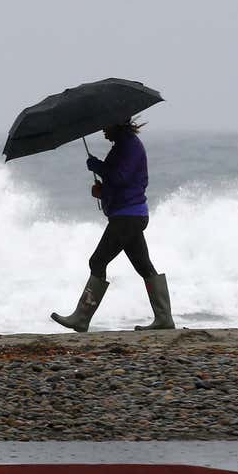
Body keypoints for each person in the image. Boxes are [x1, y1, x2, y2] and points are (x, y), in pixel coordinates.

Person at [50, 119, 175, 332]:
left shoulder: (130, 146)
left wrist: (97, 166)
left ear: (117, 124)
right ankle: (164, 319)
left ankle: (81, 318)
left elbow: (120, 177)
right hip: (129, 215)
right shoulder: (122, 146)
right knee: (144, 266)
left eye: (106, 126)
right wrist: (101, 191)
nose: (102, 130)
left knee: (97, 261)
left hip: (128, 217)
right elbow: (117, 181)